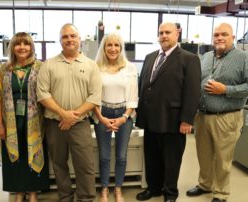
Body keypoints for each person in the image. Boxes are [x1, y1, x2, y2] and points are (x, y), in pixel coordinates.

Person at [135, 22, 201, 202]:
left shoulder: (189, 59)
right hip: (149, 119)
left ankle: (170, 193)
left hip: (173, 119)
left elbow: (193, 91)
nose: (164, 36)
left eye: (168, 32)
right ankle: (153, 188)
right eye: (161, 33)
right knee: (152, 157)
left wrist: (187, 119)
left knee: (172, 160)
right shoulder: (150, 57)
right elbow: (144, 86)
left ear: (177, 34)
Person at [37, 23, 102, 202]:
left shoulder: (91, 66)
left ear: (79, 39)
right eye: (65, 37)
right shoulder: (48, 65)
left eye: (73, 36)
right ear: (60, 41)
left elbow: (95, 96)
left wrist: (72, 116)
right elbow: (42, 94)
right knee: (59, 164)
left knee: (85, 165)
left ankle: (86, 198)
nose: (69, 39)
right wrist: (62, 114)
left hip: (80, 124)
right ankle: (65, 197)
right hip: (54, 123)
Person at [186, 23, 248, 202]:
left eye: (224, 34)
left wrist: (226, 90)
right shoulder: (205, 57)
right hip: (203, 116)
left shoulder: (243, 58)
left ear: (233, 37)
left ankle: (221, 193)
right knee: (203, 155)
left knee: (223, 159)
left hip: (226, 117)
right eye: (216, 35)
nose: (219, 38)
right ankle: (205, 184)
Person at [0, 32, 49, 202]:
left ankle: (32, 192)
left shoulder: (40, 67)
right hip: (11, 122)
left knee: (32, 153)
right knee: (14, 157)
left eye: (26, 44)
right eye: (18, 44)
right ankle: (18, 191)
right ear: (12, 48)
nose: (22, 47)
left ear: (31, 47)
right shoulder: (4, 69)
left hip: (35, 122)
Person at [93, 32, 138, 202]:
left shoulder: (130, 67)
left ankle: (118, 188)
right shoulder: (96, 67)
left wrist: (124, 117)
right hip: (101, 113)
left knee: (121, 155)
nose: (113, 49)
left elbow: (133, 96)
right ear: (104, 48)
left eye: (116, 45)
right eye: (109, 45)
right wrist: (101, 117)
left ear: (121, 48)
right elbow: (92, 96)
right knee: (104, 155)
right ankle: (104, 189)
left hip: (124, 114)